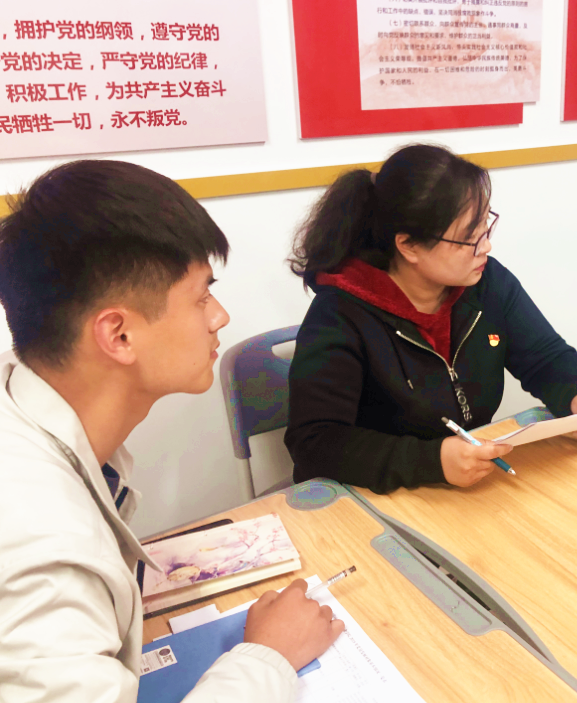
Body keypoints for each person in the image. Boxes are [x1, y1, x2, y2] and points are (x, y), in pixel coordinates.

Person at [0, 160, 343, 702]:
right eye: (202, 296)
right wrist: (270, 656)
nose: (219, 317)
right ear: (118, 334)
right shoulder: (42, 552)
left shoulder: (27, 403)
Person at [285, 144, 577, 493]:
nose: (485, 247)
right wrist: (432, 461)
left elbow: (544, 357)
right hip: (376, 496)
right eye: (469, 239)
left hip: (468, 486)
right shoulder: (340, 314)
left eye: (485, 227)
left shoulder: (486, 282)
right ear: (409, 246)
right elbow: (315, 443)